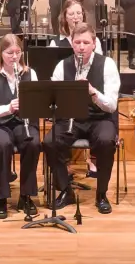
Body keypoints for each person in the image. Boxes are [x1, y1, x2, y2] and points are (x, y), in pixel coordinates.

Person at [43, 20, 121, 215]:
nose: (81, 47)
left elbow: (111, 105)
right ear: (71, 43)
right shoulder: (62, 66)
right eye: (77, 42)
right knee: (50, 142)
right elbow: (52, 98)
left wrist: (93, 92)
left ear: (94, 43)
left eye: (86, 43)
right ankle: (65, 190)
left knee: (105, 141)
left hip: (100, 117)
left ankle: (101, 194)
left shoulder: (108, 65)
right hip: (71, 117)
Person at [0, 34, 40, 220]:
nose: (14, 57)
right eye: (9, 53)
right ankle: (2, 198)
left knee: (33, 143)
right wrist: (9, 107)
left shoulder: (30, 73)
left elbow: (38, 103)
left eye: (17, 52)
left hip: (23, 122)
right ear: (1, 53)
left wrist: (30, 104)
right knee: (3, 144)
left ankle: (26, 195)